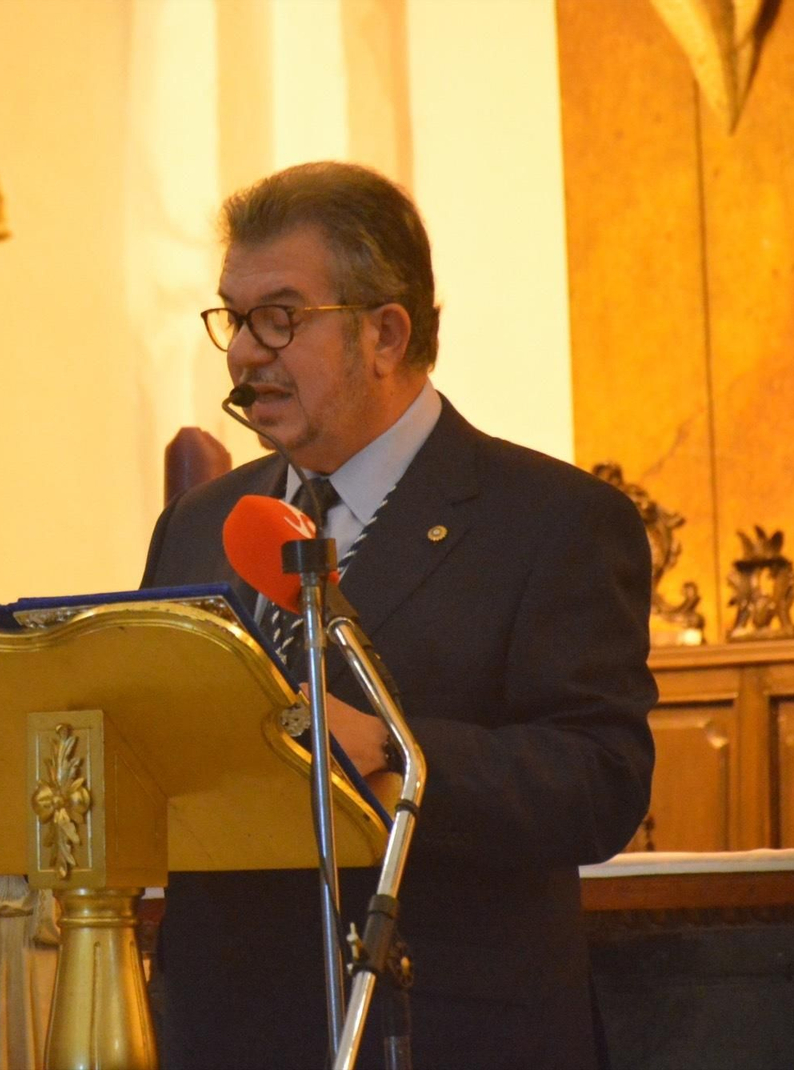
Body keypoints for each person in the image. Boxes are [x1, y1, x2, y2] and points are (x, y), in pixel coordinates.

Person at [139, 162, 656, 1069]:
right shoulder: (198, 527)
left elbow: (601, 780)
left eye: (282, 317)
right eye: (234, 315)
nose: (244, 353)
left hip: (444, 1028)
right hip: (220, 1032)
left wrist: (391, 755)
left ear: (385, 333)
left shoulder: (553, 520)